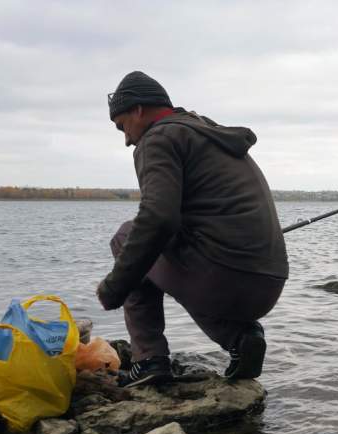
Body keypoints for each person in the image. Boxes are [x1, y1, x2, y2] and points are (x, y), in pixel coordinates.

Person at [98, 71, 288, 387]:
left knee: (127, 237)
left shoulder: (158, 138)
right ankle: (240, 338)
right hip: (269, 283)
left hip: (226, 281)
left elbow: (157, 220)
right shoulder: (206, 134)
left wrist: (113, 288)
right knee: (172, 253)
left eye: (122, 126)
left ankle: (149, 360)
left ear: (138, 111)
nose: (128, 139)